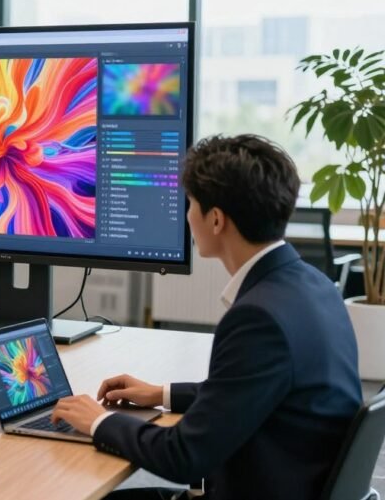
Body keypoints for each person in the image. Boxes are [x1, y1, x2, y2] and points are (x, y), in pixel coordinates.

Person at [52, 134, 362, 500]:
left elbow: (184, 456)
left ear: (216, 220)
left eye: (191, 204)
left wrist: (99, 421)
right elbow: (249, 390)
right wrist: (162, 394)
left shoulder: (258, 318)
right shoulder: (314, 284)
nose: (186, 215)